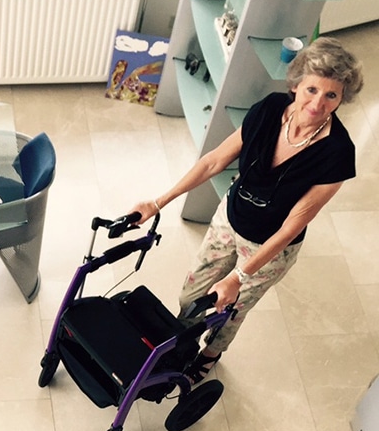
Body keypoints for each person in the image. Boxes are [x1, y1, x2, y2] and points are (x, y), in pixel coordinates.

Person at [130, 37, 364, 384]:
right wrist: (158, 202)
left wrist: (239, 277)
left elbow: (291, 226)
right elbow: (213, 162)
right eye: (312, 89)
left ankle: (210, 355)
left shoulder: (338, 154)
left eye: (331, 95)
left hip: (270, 248)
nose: (317, 103)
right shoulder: (270, 110)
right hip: (231, 219)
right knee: (190, 297)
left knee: (230, 309)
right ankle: (180, 344)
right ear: (297, 84)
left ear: (342, 98)